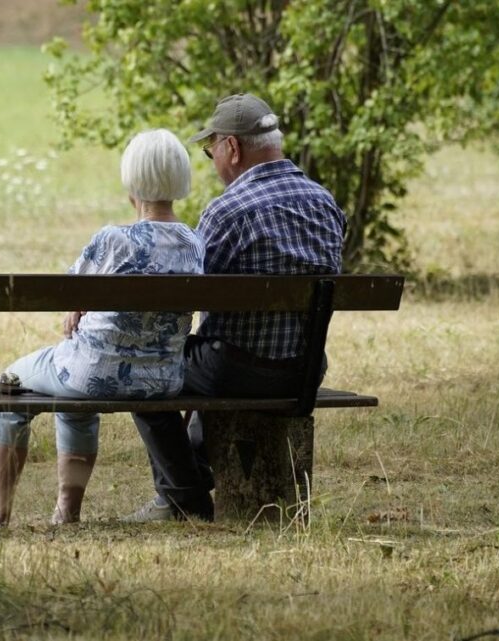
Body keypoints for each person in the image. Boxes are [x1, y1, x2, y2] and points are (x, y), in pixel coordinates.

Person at [124, 93, 347, 522]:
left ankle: (183, 497)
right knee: (211, 353)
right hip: (304, 371)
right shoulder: (326, 204)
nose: (214, 162)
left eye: (212, 152)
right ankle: (191, 479)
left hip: (235, 371)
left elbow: (187, 294)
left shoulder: (227, 211)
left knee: (143, 367)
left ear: (232, 147)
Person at [0, 129, 205, 526]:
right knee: (74, 397)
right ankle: (66, 512)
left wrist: (77, 307)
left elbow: (68, 291)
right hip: (162, 380)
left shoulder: (113, 240)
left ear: (132, 180)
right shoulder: (194, 243)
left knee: (10, 386)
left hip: (92, 373)